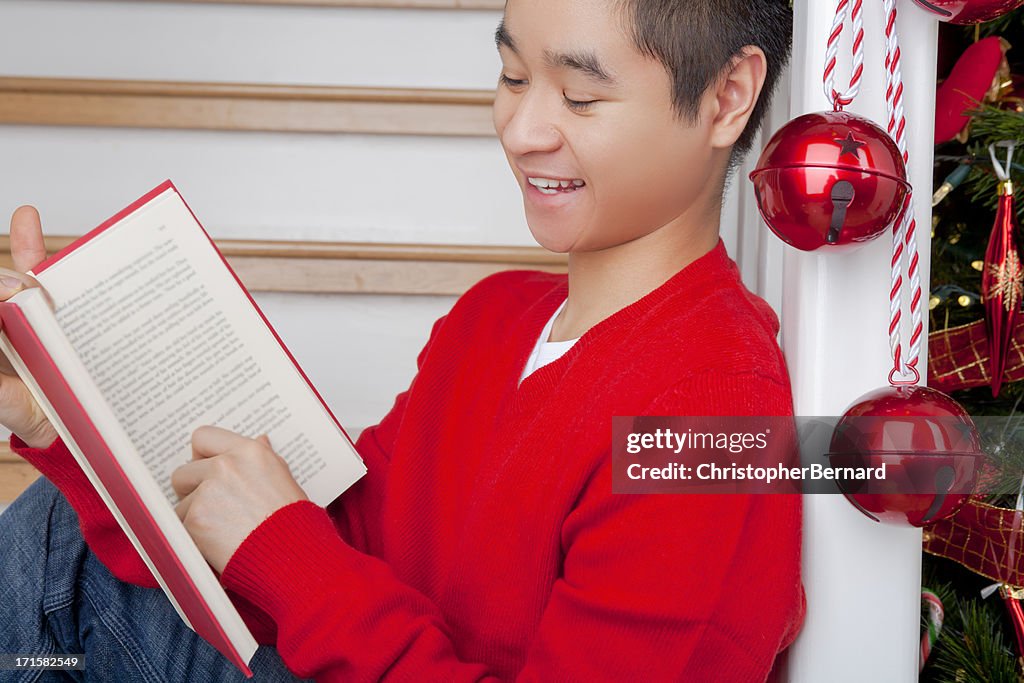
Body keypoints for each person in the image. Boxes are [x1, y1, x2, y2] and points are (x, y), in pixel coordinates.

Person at [0, 0, 804, 680]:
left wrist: (292, 554)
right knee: (59, 525)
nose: (522, 130)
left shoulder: (717, 413)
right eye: (513, 77)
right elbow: (309, 564)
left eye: (580, 97)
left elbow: (307, 570)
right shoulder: (493, 318)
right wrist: (67, 412)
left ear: (728, 96)